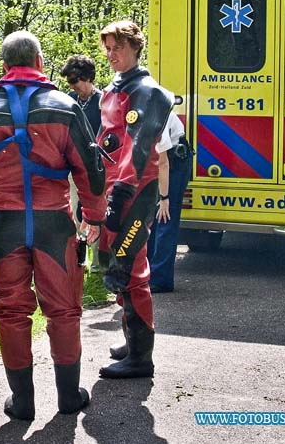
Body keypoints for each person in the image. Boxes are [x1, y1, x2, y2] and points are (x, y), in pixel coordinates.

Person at [0, 30, 106, 419]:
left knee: (10, 311)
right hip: (52, 224)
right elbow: (90, 170)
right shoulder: (65, 106)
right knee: (64, 310)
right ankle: (68, 397)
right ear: (39, 62)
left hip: (3, 224)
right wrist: (94, 216)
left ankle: (22, 402)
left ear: (5, 65)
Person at [96, 20, 173, 379]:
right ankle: (132, 340)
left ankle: (142, 358)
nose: (112, 55)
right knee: (115, 270)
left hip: (135, 190)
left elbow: (138, 148)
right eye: (108, 49)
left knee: (131, 270)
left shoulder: (147, 92)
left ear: (135, 48)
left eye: (119, 48)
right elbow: (106, 140)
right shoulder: (114, 89)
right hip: (113, 187)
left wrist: (121, 193)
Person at [60, 55, 105, 273]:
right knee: (74, 213)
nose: (72, 86)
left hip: (96, 169)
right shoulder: (70, 100)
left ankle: (98, 263)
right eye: (69, 82)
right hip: (71, 168)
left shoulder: (102, 101)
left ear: (87, 77)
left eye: (75, 80)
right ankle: (80, 259)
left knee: (95, 214)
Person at [146, 111, 193, 293]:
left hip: (174, 162)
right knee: (153, 219)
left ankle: (160, 280)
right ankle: (147, 273)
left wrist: (164, 198)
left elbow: (163, 162)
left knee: (165, 217)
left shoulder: (154, 116)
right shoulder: (134, 109)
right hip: (160, 162)